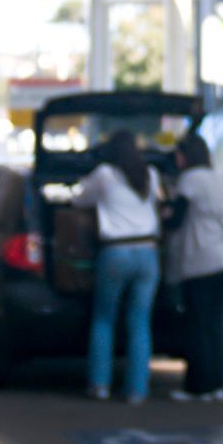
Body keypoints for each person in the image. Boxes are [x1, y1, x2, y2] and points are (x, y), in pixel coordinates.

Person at [73, 130, 161, 403]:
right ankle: (138, 390)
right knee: (140, 322)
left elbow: (79, 199)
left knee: (104, 319)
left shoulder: (104, 174)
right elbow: (158, 202)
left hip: (116, 252)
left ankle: (100, 385)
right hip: (148, 252)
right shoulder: (150, 174)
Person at [162, 132, 223, 402]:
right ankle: (217, 384)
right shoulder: (214, 177)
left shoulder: (190, 179)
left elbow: (175, 220)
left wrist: (165, 213)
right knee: (216, 325)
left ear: (187, 155)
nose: (177, 160)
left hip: (201, 260)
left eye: (179, 155)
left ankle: (196, 386)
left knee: (197, 325)